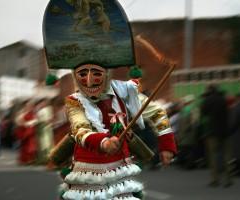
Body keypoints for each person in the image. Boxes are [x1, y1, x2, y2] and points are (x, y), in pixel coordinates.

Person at [43, 0, 177, 199]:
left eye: (96, 73)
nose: (89, 80)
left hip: (119, 171)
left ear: (106, 74)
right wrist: (103, 142)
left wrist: (167, 146)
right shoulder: (74, 100)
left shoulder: (126, 92)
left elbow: (157, 113)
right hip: (88, 172)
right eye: (82, 74)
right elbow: (81, 129)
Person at [201, 84, 233, 187]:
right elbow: (228, 113)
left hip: (212, 132)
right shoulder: (223, 99)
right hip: (225, 131)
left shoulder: (208, 100)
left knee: (213, 156)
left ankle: (215, 180)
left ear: (209, 91)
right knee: (227, 156)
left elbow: (203, 113)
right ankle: (229, 179)